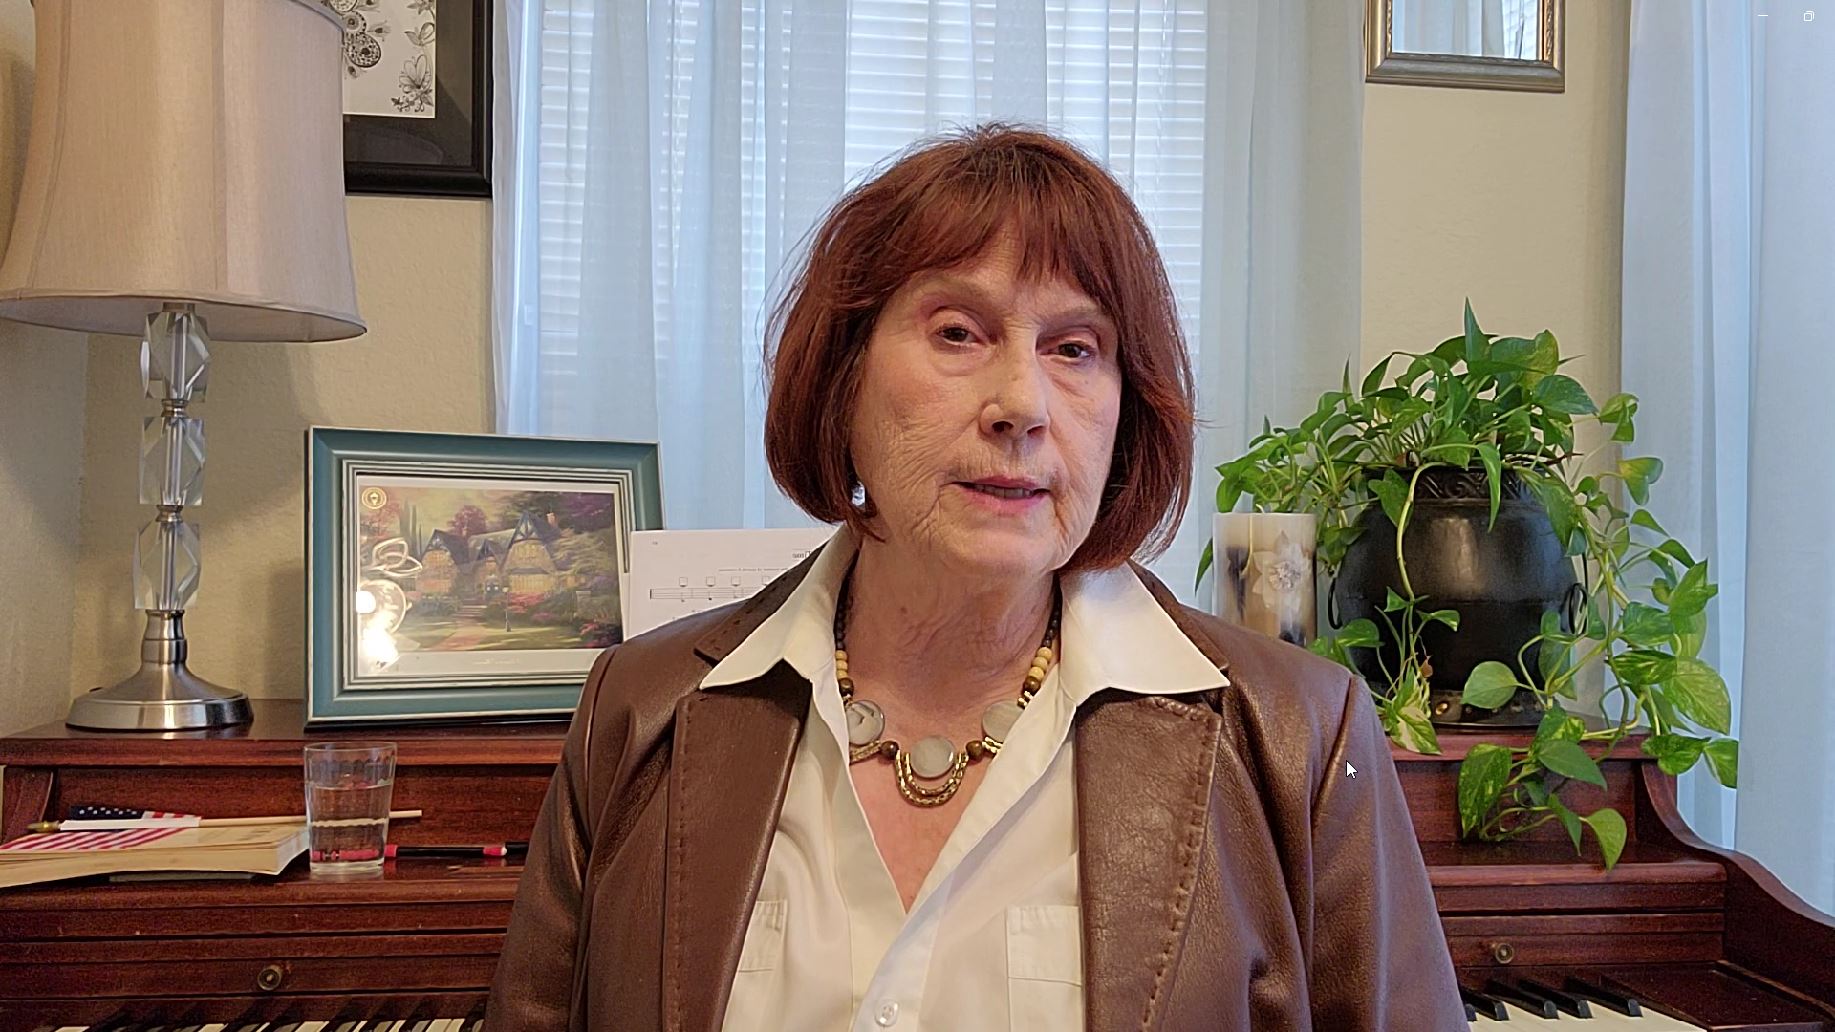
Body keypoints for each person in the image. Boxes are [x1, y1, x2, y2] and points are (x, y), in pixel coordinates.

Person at [486, 123, 1465, 1031]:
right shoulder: (640, 709)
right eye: (957, 333)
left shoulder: (1299, 737)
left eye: (1074, 349)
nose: (1021, 404)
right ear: (841, 378)